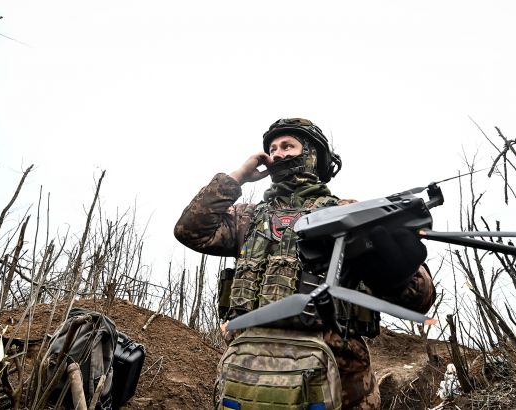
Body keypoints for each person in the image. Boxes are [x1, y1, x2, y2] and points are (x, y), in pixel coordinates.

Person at [174, 118, 436, 409]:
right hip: (248, 374)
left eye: (288, 146)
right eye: (273, 148)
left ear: (313, 155)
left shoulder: (347, 213)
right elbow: (190, 230)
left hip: (337, 377)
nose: (278, 154)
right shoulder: (247, 218)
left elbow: (420, 298)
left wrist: (397, 276)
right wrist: (238, 176)